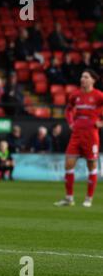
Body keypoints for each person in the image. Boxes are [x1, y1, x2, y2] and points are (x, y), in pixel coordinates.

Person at [54, 69, 103, 208]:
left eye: (86, 77)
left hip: (91, 135)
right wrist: (70, 123)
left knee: (91, 166)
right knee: (68, 165)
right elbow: (69, 109)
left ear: (93, 80)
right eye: (82, 76)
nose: (83, 79)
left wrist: (101, 123)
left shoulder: (99, 96)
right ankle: (69, 198)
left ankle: (88, 198)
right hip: (76, 134)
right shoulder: (75, 95)